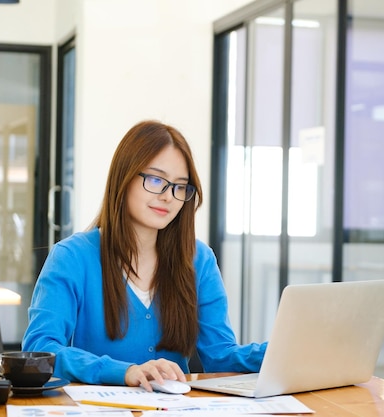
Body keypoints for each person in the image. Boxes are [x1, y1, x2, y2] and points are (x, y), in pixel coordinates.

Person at [22, 120, 267, 390]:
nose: (168, 196)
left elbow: (220, 357)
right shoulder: (71, 257)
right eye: (155, 180)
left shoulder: (199, 259)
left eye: (180, 186)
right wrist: (125, 371)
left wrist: (284, 351)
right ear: (124, 177)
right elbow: (40, 348)